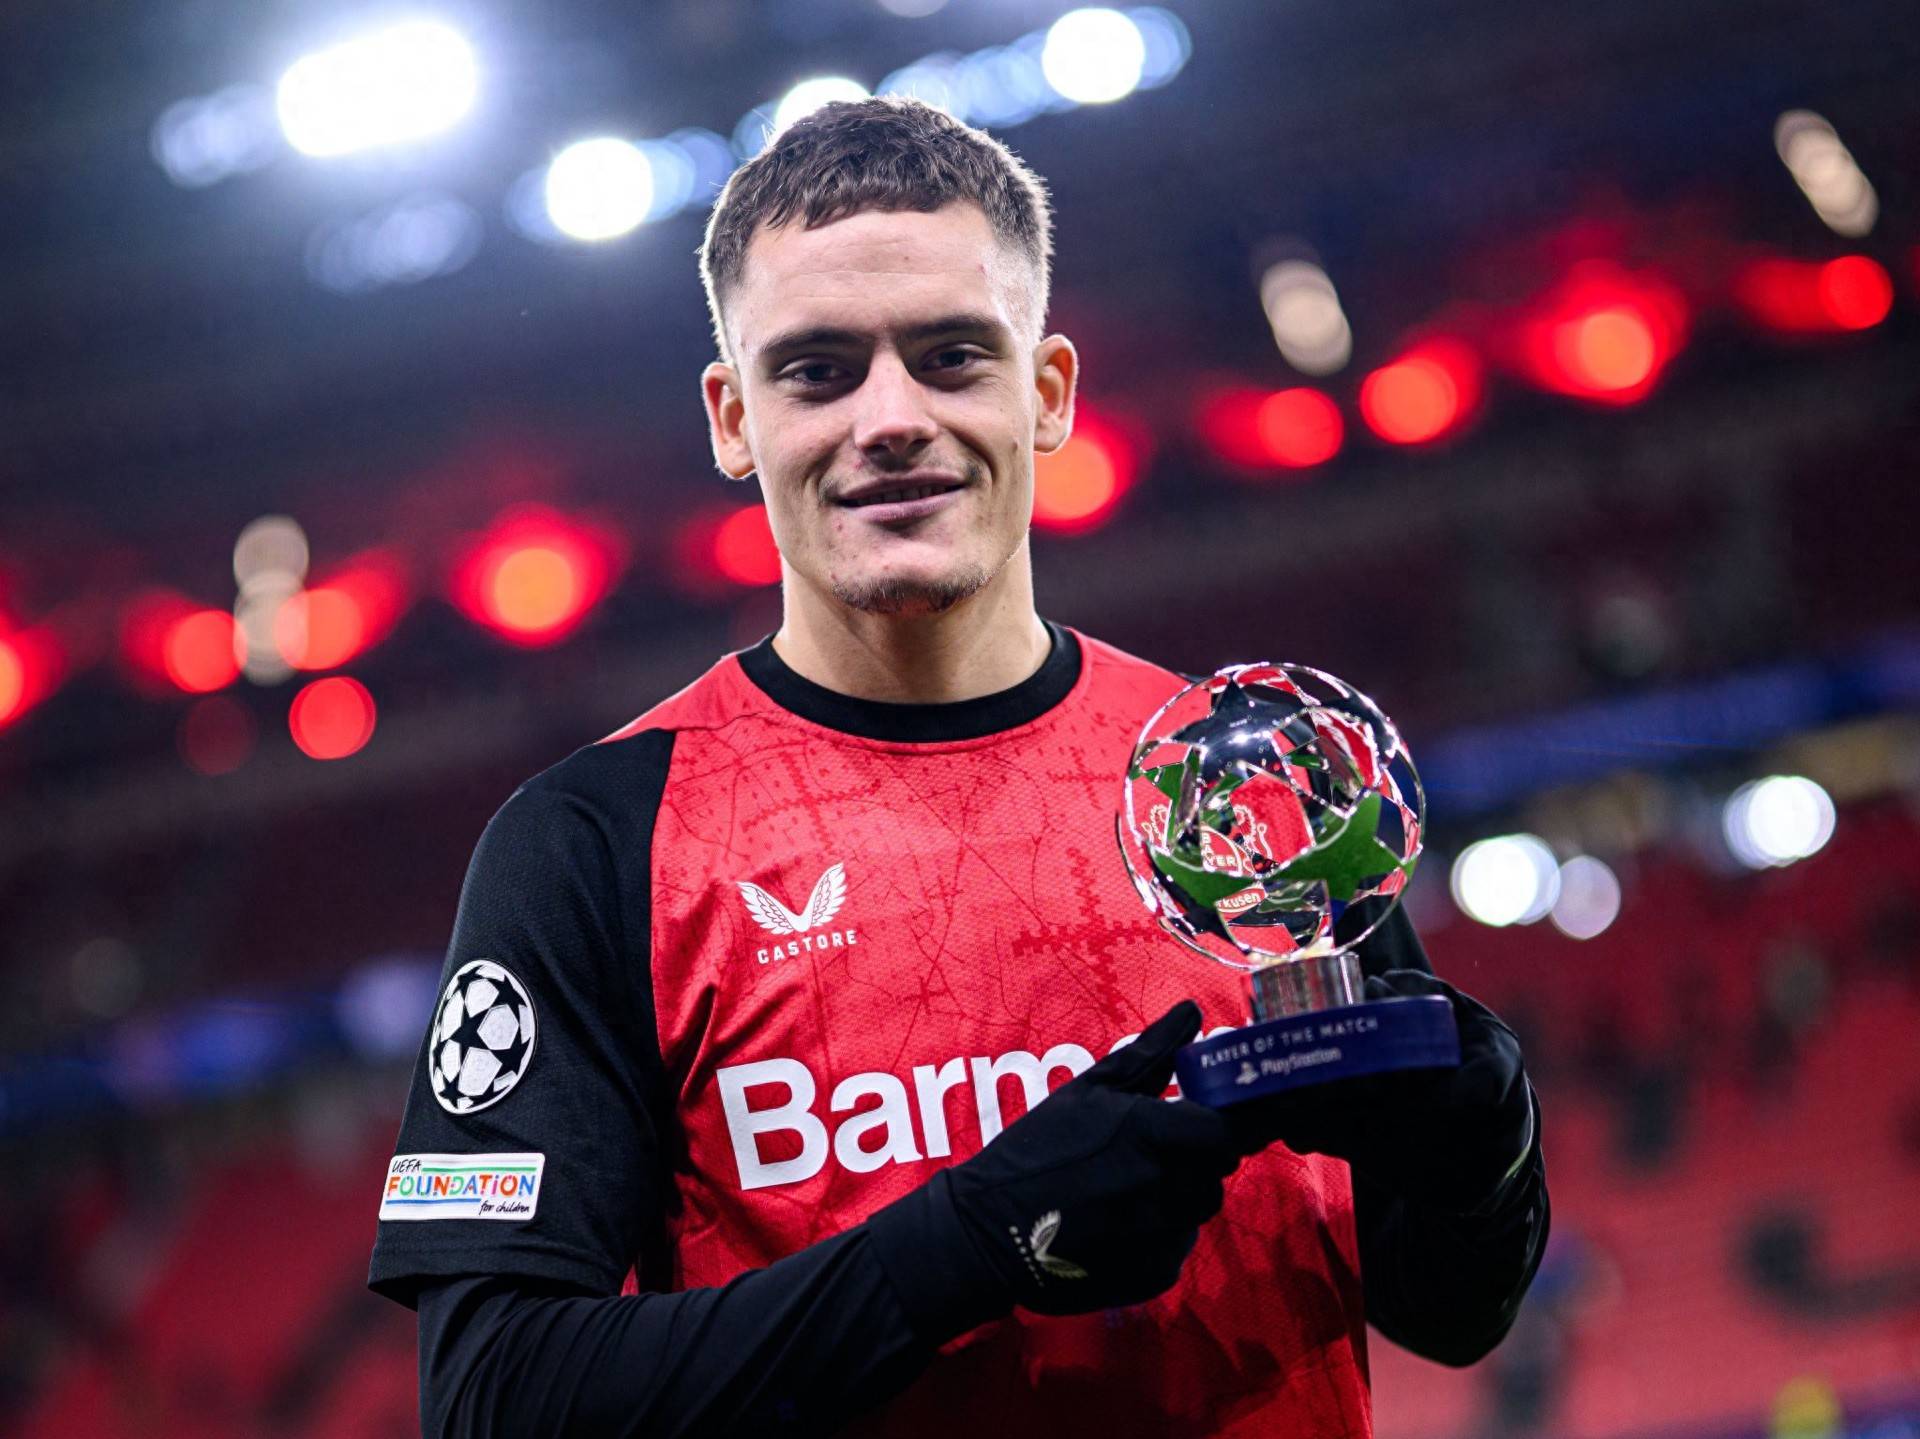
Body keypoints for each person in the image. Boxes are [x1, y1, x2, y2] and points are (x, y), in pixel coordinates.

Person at [368, 97, 1548, 1438]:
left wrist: (1485, 1151)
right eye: (817, 371)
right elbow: (494, 1401)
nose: (891, 418)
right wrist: (971, 1244)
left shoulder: (1236, 782)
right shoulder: (596, 842)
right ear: (733, 419)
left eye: (950, 356)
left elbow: (1451, 1311)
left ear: (1046, 392)